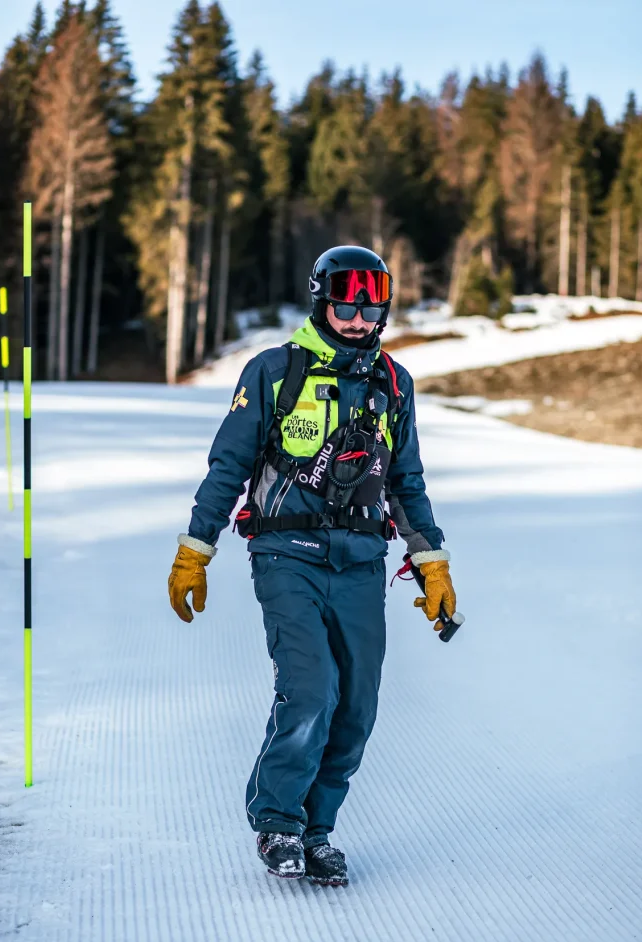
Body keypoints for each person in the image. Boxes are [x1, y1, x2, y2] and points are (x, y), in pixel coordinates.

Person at [168, 245, 457, 887]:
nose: (359, 317)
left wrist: (431, 563)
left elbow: (406, 483)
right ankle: (278, 822)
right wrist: (196, 550)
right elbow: (228, 468)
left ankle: (318, 828)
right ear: (322, 299)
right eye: (346, 303)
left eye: (371, 304)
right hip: (285, 556)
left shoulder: (393, 383)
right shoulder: (274, 371)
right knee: (311, 689)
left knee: (357, 705)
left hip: (360, 562)